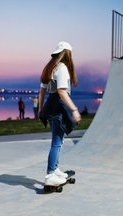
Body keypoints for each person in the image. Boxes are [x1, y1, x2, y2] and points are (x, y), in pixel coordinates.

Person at [38, 41, 81, 186]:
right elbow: (62, 91)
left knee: (58, 141)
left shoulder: (49, 68)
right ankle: (50, 174)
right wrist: (74, 110)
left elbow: (42, 91)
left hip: (50, 108)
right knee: (56, 143)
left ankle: (55, 169)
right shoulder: (62, 68)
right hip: (59, 108)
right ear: (67, 54)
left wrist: (40, 109)